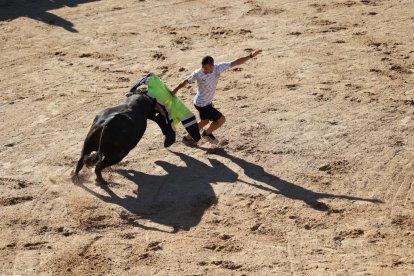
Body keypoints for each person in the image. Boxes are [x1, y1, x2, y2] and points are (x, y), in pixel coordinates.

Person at [171, 50, 262, 145]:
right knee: (221, 120)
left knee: (204, 121)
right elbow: (185, 81)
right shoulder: (198, 73)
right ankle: (207, 133)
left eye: (206, 68)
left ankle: (188, 138)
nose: (204, 71)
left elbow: (235, 62)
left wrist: (250, 56)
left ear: (212, 66)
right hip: (202, 104)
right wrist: (175, 90)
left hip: (204, 102)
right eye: (203, 68)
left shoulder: (218, 68)